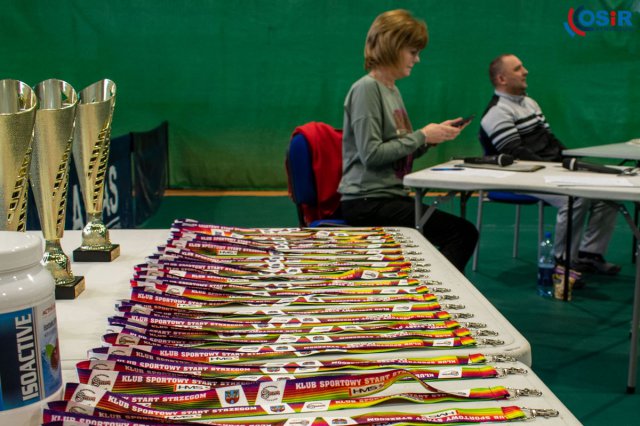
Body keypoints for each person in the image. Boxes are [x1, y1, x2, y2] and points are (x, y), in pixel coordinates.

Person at [338, 9, 478, 273]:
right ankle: (430, 292)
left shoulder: (392, 90)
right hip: (367, 202)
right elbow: (372, 155)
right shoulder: (366, 89)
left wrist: (432, 139)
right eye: (412, 52)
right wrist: (422, 135)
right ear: (393, 46)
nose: (417, 59)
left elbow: (397, 153)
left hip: (388, 196)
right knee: (461, 234)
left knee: (459, 233)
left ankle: (424, 288)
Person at [479, 53, 620, 275]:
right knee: (575, 197)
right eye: (517, 68)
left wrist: (571, 160)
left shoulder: (530, 102)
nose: (525, 71)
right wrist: (556, 170)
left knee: (607, 193)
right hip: (520, 177)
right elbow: (516, 153)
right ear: (502, 79)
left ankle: (589, 254)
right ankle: (561, 264)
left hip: (547, 171)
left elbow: (550, 140)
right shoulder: (496, 113)